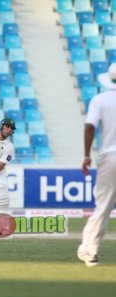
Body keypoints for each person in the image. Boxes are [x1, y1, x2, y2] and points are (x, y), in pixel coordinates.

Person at [78, 63, 116, 267]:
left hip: (110, 156)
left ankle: (90, 250)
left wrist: (86, 155)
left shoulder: (100, 100)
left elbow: (89, 127)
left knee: (103, 206)